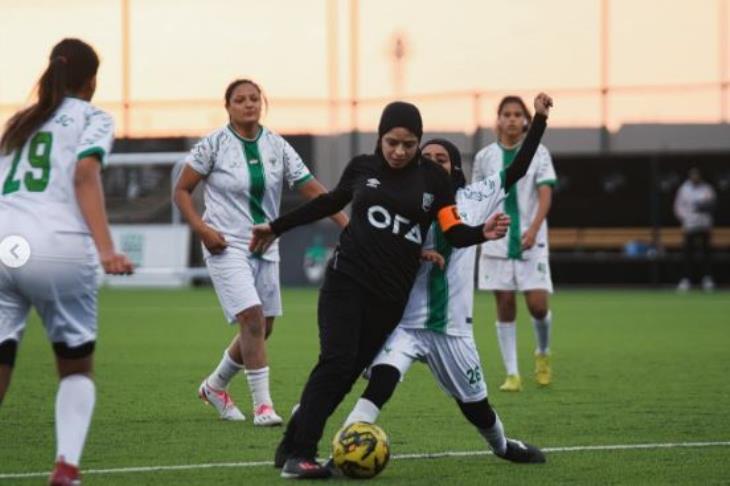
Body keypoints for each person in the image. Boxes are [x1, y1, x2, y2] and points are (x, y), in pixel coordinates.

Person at [251, 100, 511, 479]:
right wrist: (275, 227)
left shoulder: (434, 181)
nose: (399, 151)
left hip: (389, 301)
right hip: (346, 282)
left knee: (345, 374)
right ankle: (301, 456)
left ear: (418, 143)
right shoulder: (363, 167)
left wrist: (480, 233)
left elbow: (452, 229)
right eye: (392, 142)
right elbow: (328, 202)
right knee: (336, 362)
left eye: (409, 144)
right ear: (380, 138)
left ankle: (290, 443)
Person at [341, 93, 552, 469]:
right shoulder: (403, 199)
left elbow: (518, 168)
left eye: (442, 159)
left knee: (476, 406)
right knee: (383, 380)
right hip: (406, 320)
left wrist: (538, 120)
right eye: (427, 159)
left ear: (455, 169)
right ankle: (347, 445)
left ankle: (503, 446)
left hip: (452, 328)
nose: (432, 164)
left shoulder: (473, 198)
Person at [174, 79, 348, 426]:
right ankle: (263, 407)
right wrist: (203, 230)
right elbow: (181, 190)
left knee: (263, 328)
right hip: (225, 245)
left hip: (266, 244)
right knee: (251, 318)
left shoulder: (277, 146)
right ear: (228, 107)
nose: (248, 104)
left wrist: (347, 225)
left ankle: (215, 386)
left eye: (254, 99)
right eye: (240, 100)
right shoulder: (213, 144)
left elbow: (312, 188)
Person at [0, 38, 133, 486]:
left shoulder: (19, 122)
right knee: (75, 367)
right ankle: (65, 469)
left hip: (4, 245)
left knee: (2, 354)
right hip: (57, 246)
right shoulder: (93, 117)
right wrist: (107, 250)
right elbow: (84, 174)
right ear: (92, 80)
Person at [473, 95, 556, 392]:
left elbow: (545, 192)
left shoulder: (540, 152)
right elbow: (479, 198)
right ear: (498, 119)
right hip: (496, 242)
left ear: (525, 120)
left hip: (531, 240)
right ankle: (512, 374)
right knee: (505, 304)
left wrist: (534, 229)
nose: (511, 119)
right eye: (505, 114)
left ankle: (543, 353)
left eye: (517, 114)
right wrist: (478, 231)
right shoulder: (484, 158)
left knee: (537, 306)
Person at [674, 167, 716, 292]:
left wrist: (703, 207)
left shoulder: (707, 188)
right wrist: (686, 218)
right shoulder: (684, 189)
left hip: (704, 225)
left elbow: (712, 203)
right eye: (693, 175)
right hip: (690, 225)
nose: (695, 178)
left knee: (706, 254)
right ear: (690, 176)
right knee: (688, 254)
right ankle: (686, 280)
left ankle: (707, 279)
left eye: (697, 175)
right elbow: (678, 207)